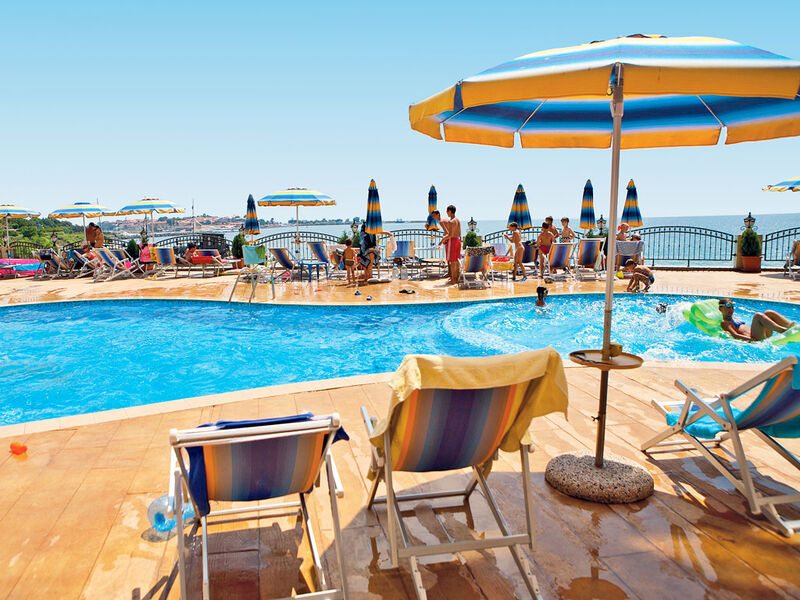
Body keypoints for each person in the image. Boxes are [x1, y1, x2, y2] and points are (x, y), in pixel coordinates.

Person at [718, 298, 795, 342]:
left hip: (761, 335)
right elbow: (735, 335)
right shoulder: (725, 322)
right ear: (720, 309)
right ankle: (783, 331)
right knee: (757, 315)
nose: (731, 310)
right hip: (755, 339)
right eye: (728, 307)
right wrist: (751, 339)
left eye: (732, 307)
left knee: (769, 313)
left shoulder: (735, 318)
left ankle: (789, 325)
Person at [438, 204, 461, 285]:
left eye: (447, 211)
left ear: (450, 211)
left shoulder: (451, 222)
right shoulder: (457, 220)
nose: (446, 213)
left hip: (453, 241)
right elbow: (459, 233)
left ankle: (454, 279)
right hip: (458, 240)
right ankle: (456, 278)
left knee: (452, 261)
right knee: (457, 260)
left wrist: (442, 240)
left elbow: (450, 234)